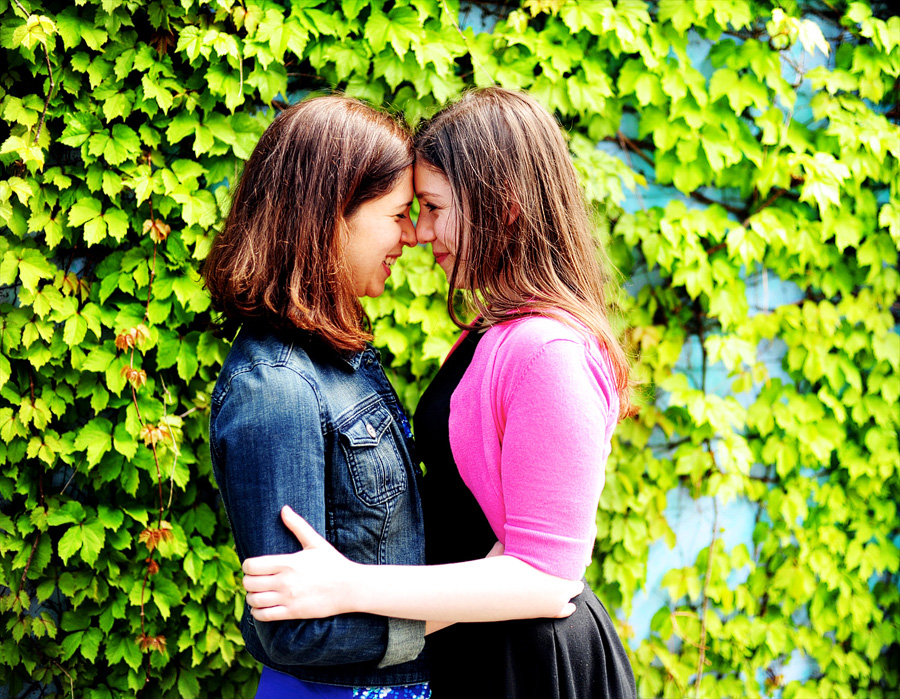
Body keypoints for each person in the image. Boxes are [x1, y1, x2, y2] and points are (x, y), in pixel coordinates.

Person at [241, 88, 637, 699]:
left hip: (527, 664)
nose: (421, 233)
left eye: (432, 206)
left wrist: (347, 586)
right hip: (476, 648)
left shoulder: (549, 353)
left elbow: (547, 580)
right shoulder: (496, 331)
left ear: (501, 206)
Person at [203, 95, 432, 698]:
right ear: (332, 216)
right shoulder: (277, 390)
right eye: (398, 214)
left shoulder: (338, 356)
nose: (411, 236)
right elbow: (293, 632)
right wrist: (466, 603)